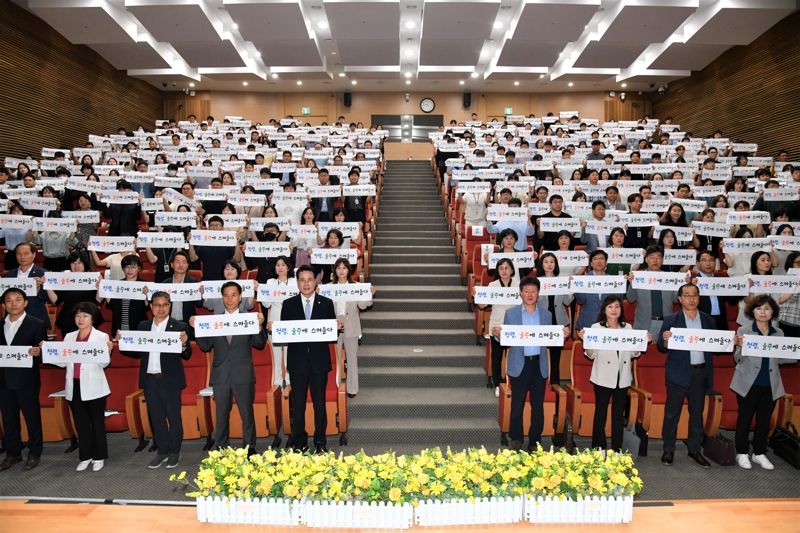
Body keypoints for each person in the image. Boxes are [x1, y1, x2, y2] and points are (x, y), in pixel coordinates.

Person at [190, 282, 266, 453]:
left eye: (233, 295)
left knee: (247, 414)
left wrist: (259, 326)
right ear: (222, 298)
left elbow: (259, 343)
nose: (229, 299)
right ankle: (221, 447)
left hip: (243, 373)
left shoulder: (248, 319)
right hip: (221, 374)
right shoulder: (215, 321)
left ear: (240, 298)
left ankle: (249, 448)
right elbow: (205, 346)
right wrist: (197, 329)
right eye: (226, 295)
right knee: (221, 414)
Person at [119, 292, 192, 469]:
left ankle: (174, 452)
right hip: (150, 379)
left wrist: (184, 343)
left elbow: (187, 354)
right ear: (151, 306)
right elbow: (136, 351)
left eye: (165, 305)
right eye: (157, 305)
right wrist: (123, 342)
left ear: (170, 306)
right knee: (156, 418)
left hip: (170, 380)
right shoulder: (143, 326)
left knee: (173, 418)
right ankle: (162, 451)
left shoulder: (179, 327)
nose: (161, 308)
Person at [276, 265, 339, 452]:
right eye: (302, 280)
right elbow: (285, 335)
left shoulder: (327, 303)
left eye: (309, 280)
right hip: (297, 363)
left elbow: (330, 335)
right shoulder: (288, 304)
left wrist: (336, 327)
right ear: (297, 283)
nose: (306, 284)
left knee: (320, 405)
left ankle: (320, 442)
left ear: (316, 281)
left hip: (319, 363)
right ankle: (299, 442)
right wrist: (276, 329)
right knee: (299, 405)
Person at [502, 277, 568, 452]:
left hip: (539, 365)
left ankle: (534, 440)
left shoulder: (546, 314)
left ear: (538, 293)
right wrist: (497, 333)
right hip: (519, 365)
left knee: (537, 407)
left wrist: (562, 334)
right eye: (526, 291)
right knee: (517, 405)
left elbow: (551, 338)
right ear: (521, 293)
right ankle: (516, 439)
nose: (530, 295)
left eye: (533, 291)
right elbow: (505, 338)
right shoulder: (511, 313)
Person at [577, 295, 650, 451]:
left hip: (622, 377)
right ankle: (599, 449)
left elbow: (632, 353)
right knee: (600, 414)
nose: (614, 310)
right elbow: (591, 354)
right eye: (610, 307)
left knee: (618, 416)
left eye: (617, 306)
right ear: (604, 309)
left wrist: (643, 342)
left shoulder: (628, 328)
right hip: (603, 377)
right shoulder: (596, 328)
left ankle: (617, 450)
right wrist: (586, 341)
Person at [657, 283, 717, 468]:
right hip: (678, 373)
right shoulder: (670, 320)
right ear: (680, 299)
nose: (691, 299)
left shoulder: (708, 320)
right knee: (671, 413)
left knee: (697, 414)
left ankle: (694, 450)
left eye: (694, 295)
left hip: (700, 372)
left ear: (699, 298)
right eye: (687, 295)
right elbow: (660, 347)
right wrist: (665, 340)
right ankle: (668, 449)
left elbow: (716, 345)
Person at [731, 295, 793, 470]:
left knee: (764, 420)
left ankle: (759, 452)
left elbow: (782, 360)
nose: (763, 312)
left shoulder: (778, 333)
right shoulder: (744, 331)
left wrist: (792, 352)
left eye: (767, 308)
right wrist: (740, 347)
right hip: (748, 383)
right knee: (744, 419)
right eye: (759, 308)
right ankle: (742, 452)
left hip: (770, 383)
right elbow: (737, 359)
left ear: (773, 311)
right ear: (753, 311)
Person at [57, 302, 114, 472]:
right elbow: (62, 362)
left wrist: (108, 351)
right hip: (74, 384)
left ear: (92, 318)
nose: (81, 319)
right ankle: (85, 456)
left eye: (85, 316)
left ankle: (99, 456)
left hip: (94, 385)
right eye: (78, 316)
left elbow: (104, 363)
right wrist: (48, 352)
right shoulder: (69, 337)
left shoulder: (101, 337)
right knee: (81, 423)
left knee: (96, 423)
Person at [0, 288, 49, 471]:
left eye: (18, 299)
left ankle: (35, 452)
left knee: (32, 418)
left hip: (27, 379)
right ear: (4, 304)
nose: (13, 303)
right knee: (8, 418)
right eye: (9, 300)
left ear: (25, 303)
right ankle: (13, 453)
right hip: (3, 380)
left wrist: (39, 352)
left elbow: (44, 351)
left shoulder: (37, 323)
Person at [331, 258, 374, 398]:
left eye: (344, 268)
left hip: (352, 324)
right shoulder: (328, 287)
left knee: (352, 359)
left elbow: (362, 306)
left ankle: (352, 389)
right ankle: (335, 386)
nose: (341, 271)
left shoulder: (356, 286)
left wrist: (369, 295)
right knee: (334, 359)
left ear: (349, 270)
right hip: (333, 325)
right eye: (338, 268)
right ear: (335, 270)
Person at [625, 245, 679, 340]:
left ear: (663, 260)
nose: (655, 260)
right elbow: (630, 298)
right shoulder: (639, 277)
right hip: (644, 323)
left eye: (658, 257)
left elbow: (675, 300)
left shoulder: (669, 277)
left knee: (663, 353)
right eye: (652, 257)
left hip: (665, 323)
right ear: (646, 260)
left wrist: (682, 285)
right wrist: (632, 283)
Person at [536, 252, 573, 384]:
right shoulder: (537, 282)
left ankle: (555, 384)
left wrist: (570, 287)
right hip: (541, 322)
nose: (549, 264)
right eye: (546, 262)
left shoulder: (561, 281)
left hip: (559, 322)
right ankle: (541, 383)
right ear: (542, 264)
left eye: (552, 262)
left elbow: (568, 302)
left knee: (555, 356)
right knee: (541, 355)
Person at [263, 256, 297, 388]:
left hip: (291, 321)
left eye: (283, 265)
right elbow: (266, 305)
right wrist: (262, 292)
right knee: (276, 356)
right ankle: (277, 383)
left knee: (290, 355)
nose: (281, 267)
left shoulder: (295, 282)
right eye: (278, 265)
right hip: (275, 321)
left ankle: (289, 382)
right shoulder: (270, 282)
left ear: (288, 267)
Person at [46, 251, 97, 337]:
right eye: (73, 263)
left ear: (85, 264)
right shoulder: (66, 279)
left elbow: (98, 300)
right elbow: (56, 301)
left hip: (88, 318)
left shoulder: (93, 279)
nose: (76, 266)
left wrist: (100, 286)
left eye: (79, 263)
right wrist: (47, 285)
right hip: (68, 319)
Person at [3, 243, 48, 325]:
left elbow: (50, 299)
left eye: (26, 253)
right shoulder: (9, 275)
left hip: (36, 318)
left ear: (34, 255)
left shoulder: (44, 274)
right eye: (19, 254)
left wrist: (37, 289)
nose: (22, 257)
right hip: (12, 319)